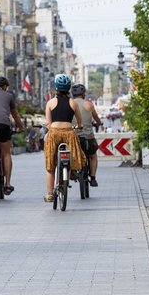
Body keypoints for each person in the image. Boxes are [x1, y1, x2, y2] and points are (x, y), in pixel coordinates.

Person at [42, 74, 86, 202]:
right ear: (68, 89)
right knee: (74, 155)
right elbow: (80, 122)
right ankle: (71, 171)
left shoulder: (50, 103)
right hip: (69, 133)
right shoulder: (73, 103)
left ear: (56, 88)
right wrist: (79, 126)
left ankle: (50, 193)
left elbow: (48, 123)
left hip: (54, 133)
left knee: (50, 165)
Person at [71, 83, 103, 187]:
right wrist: (98, 123)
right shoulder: (89, 105)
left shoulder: (70, 104)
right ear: (83, 93)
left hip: (73, 137)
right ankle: (93, 178)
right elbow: (97, 120)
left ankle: (72, 171)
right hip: (87, 138)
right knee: (93, 155)